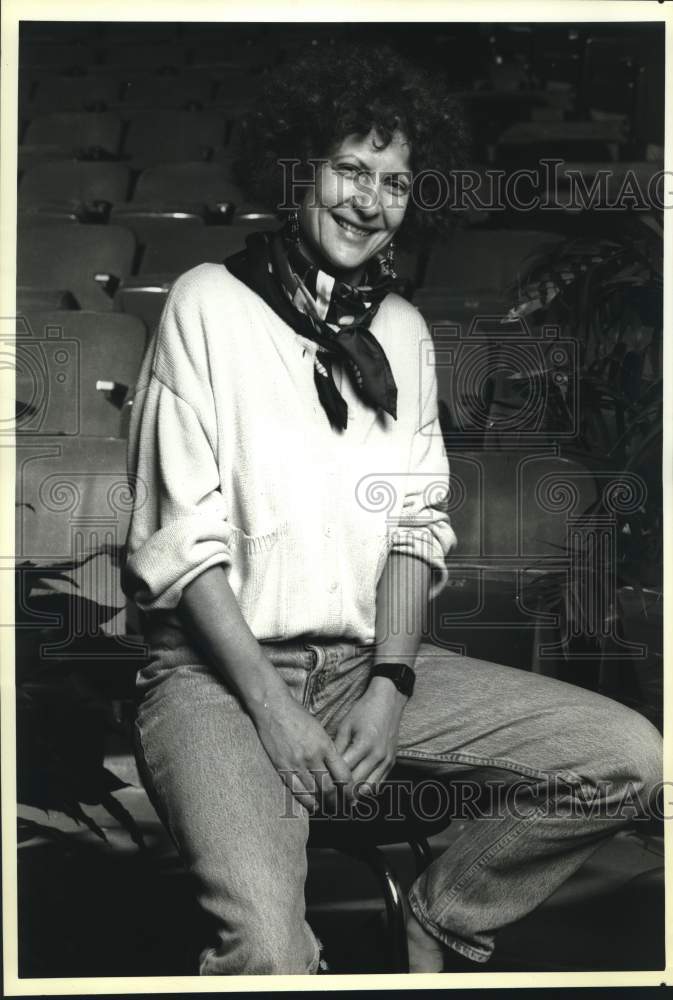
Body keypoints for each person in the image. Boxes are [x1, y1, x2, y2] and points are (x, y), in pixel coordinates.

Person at [122, 43, 663, 976]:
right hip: (214, 679)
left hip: (364, 666)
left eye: (397, 183)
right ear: (298, 171)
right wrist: (274, 712)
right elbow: (182, 541)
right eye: (350, 170)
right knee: (262, 944)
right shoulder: (206, 304)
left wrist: (389, 684)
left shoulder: (404, 331)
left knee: (630, 758)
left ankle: (442, 914)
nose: (370, 202)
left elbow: (415, 529)